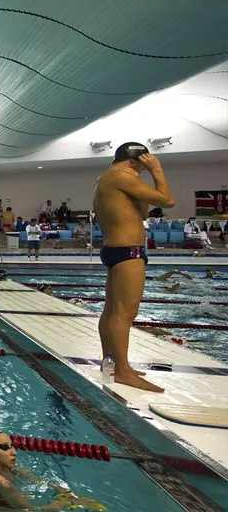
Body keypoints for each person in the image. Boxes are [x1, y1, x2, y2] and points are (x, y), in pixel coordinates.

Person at [93, 142, 174, 392]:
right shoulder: (122, 175)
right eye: (144, 162)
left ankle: (110, 362)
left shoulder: (106, 178)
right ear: (135, 160)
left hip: (114, 249)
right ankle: (124, 372)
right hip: (128, 252)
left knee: (111, 310)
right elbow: (167, 200)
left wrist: (142, 180)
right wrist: (157, 171)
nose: (146, 166)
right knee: (125, 314)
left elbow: (141, 214)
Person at [0, 427, 86, 510]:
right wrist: (66, 504)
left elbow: (37, 481)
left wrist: (55, 487)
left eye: (12, 445)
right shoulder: (3, 483)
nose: (14, 452)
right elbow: (30, 510)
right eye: (4, 447)